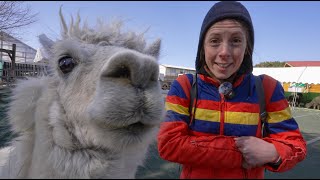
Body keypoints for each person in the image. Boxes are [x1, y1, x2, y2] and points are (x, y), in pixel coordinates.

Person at [157, 1, 307, 179]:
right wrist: (240, 153)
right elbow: (169, 144)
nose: (224, 52)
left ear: (247, 48)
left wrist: (274, 153)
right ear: (202, 48)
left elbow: (295, 145)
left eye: (236, 41)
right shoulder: (185, 86)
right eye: (214, 41)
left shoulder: (268, 88)